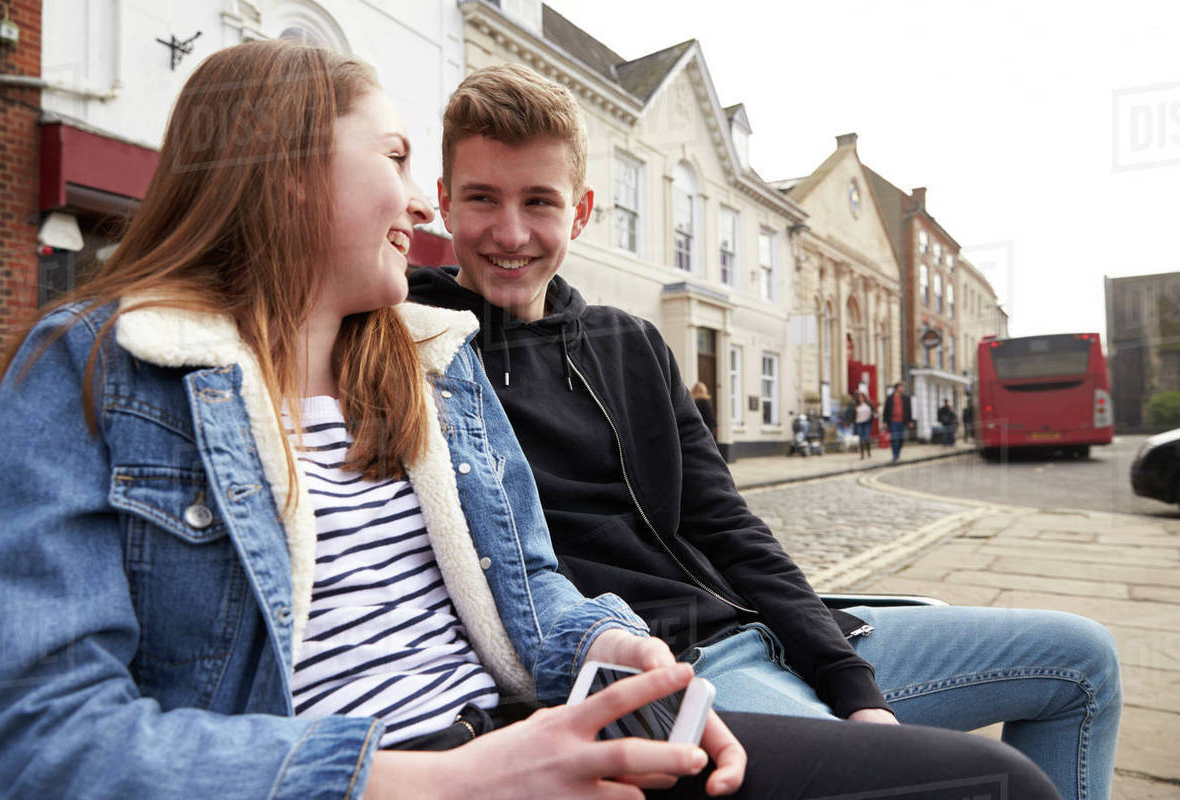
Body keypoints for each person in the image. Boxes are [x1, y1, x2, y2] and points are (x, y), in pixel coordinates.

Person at [0, 41, 1061, 800]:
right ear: (286, 169)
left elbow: (533, 583)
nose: (424, 208)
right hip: (401, 771)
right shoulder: (98, 366)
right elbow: (36, 739)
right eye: (399, 162)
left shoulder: (424, 361)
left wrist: (615, 648)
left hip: (540, 735)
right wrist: (453, 780)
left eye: (536, 202)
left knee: (999, 780)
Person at [409, 62, 1118, 800]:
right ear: (444, 204)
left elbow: (725, 523)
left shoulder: (631, 343)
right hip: (674, 666)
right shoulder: (409, 351)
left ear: (581, 212)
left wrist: (847, 679)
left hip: (763, 629)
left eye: (540, 201)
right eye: (482, 198)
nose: (511, 232)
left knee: (1083, 660)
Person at [882, 381, 913, 462]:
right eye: (901, 387)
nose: (903, 388)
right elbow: (886, 410)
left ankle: (897, 453)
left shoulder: (906, 398)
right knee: (895, 439)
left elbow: (909, 410)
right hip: (893, 421)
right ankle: (895, 456)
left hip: (902, 421)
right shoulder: (890, 398)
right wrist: (884, 421)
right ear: (896, 388)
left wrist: (910, 421)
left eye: (903, 387)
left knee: (902, 439)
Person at [853, 391, 874, 459]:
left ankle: (868, 452)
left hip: (867, 423)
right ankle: (862, 454)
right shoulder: (855, 405)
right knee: (861, 438)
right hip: (859, 423)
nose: (861, 399)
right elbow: (852, 415)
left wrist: (872, 417)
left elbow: (873, 411)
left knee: (867, 437)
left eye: (862, 397)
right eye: (859, 398)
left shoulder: (868, 404)